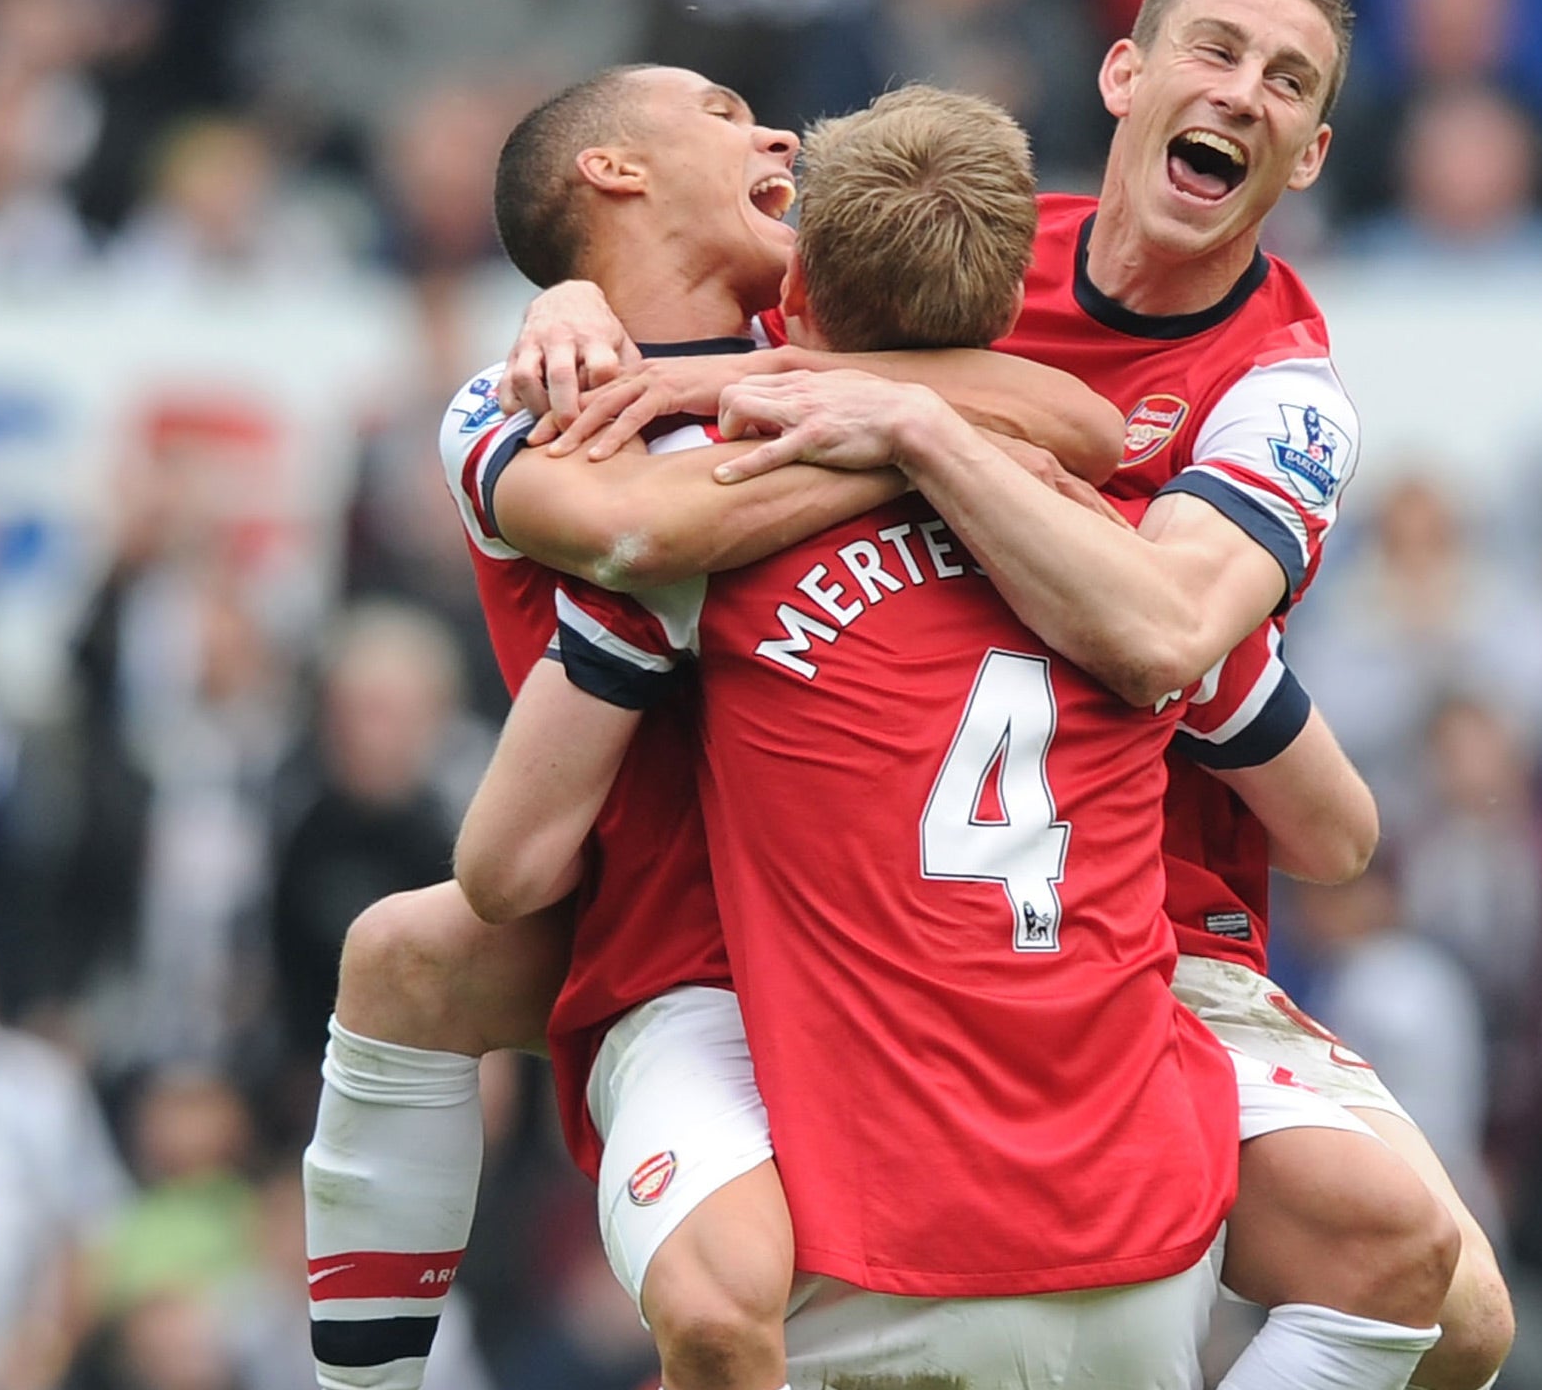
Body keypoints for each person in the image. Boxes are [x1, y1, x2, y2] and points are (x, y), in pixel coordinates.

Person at [325, 0, 1510, 1390]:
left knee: (1459, 1313)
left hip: (1120, 919)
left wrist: (913, 430)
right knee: (412, 957)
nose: (1244, 93)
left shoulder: (1275, 391)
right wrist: (569, 294)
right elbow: (1019, 417)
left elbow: (1164, 636)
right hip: (740, 903)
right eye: (1216, 50)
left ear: (1314, 153)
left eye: (1288, 79)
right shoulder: (970, 253)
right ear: (1126, 74)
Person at [457, 82, 1329, 1387]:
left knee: (420, 958)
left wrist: (886, 420)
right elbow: (1339, 826)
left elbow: (523, 826)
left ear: (803, 290)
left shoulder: (730, 463)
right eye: (721, 108)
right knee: (405, 955)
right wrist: (922, 434)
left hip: (864, 1092)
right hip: (768, 1013)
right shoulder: (1086, 529)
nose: (774, 136)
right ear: (613, 171)